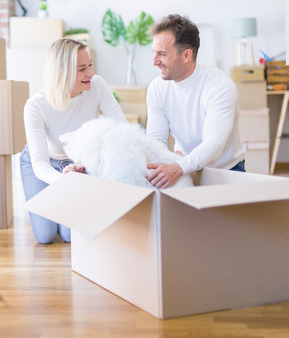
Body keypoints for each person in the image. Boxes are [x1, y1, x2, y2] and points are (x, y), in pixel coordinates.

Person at [20, 38, 127, 244]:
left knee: (71, 237)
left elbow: (120, 128)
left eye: (90, 65)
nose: (91, 74)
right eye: (82, 69)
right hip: (43, 164)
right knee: (45, 236)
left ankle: (64, 207)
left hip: (78, 164)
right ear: (62, 72)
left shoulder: (97, 85)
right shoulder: (36, 105)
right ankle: (60, 204)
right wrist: (64, 181)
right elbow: (40, 165)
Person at [146, 14, 246, 189]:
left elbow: (214, 142)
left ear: (186, 55)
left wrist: (178, 166)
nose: (155, 62)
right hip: (184, 166)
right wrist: (173, 163)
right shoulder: (157, 88)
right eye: (154, 53)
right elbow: (155, 141)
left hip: (226, 170)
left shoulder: (219, 85)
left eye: (161, 54)